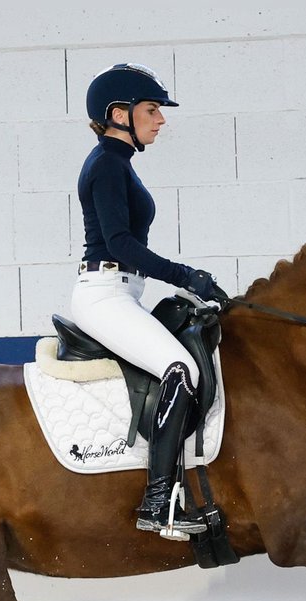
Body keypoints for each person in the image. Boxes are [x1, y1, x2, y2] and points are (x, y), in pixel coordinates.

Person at [72, 62, 229, 540]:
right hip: (103, 294)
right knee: (180, 371)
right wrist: (187, 276)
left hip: (123, 292)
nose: (161, 120)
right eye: (152, 109)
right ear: (118, 113)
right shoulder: (105, 166)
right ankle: (158, 504)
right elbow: (121, 245)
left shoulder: (118, 164)